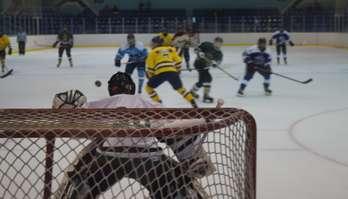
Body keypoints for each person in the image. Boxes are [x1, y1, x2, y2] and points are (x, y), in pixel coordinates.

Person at [52, 72, 213, 199]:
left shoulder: (101, 103)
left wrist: (70, 103)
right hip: (149, 157)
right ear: (132, 88)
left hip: (108, 157)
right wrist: (202, 121)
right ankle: (184, 178)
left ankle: (78, 191)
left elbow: (74, 119)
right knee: (176, 184)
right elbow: (172, 128)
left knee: (81, 173)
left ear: (111, 89)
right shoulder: (149, 103)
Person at [145, 36, 197, 108]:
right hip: (172, 72)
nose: (151, 44)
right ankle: (193, 103)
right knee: (181, 89)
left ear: (156, 43)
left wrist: (151, 77)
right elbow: (178, 62)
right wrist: (177, 71)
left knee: (148, 88)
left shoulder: (152, 52)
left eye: (152, 43)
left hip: (160, 73)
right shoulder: (170, 49)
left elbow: (150, 69)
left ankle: (159, 104)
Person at [190, 37, 223, 103]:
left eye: (219, 43)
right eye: (217, 43)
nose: (218, 45)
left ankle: (192, 92)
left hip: (206, 67)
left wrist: (215, 63)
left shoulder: (219, 54)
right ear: (214, 42)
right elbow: (197, 49)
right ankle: (206, 96)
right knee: (208, 79)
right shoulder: (207, 44)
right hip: (198, 63)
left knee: (201, 81)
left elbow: (217, 63)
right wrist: (199, 52)